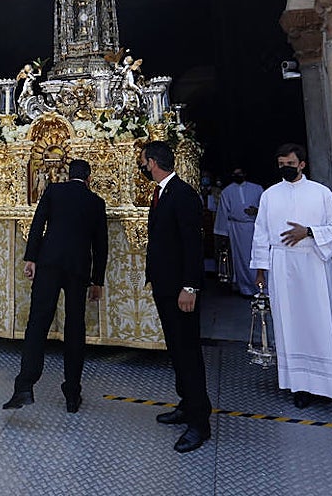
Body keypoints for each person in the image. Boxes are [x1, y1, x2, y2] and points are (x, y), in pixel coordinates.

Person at [250, 144, 332, 408]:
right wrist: (260, 270)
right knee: (290, 325)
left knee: (320, 321)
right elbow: (261, 233)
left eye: (290, 164)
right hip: (282, 266)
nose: (285, 169)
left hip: (314, 264)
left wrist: (310, 232)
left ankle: (327, 382)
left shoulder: (320, 193)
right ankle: (299, 386)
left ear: (302, 164)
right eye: (281, 165)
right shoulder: (270, 195)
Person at [2, 158, 107, 414]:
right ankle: (72, 393)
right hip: (78, 268)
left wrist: (31, 258)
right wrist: (97, 280)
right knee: (74, 327)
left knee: (38, 323)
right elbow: (101, 245)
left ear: (67, 175)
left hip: (49, 263)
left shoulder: (53, 191)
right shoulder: (95, 202)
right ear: (89, 178)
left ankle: (24, 385)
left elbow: (38, 225)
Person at [141, 141, 211, 453]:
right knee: (176, 350)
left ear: (153, 162)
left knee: (188, 352)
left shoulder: (182, 195)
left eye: (142, 162)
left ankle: (200, 423)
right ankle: (187, 403)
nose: (141, 167)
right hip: (165, 287)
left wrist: (190, 287)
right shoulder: (161, 193)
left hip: (181, 290)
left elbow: (193, 245)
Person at [219, 169, 264, 297]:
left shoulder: (257, 189)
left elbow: (266, 208)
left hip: (255, 227)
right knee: (241, 259)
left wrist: (257, 211)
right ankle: (245, 288)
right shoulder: (227, 191)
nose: (238, 176)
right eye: (235, 173)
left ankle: (261, 287)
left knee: (257, 255)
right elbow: (223, 214)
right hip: (237, 229)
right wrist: (224, 234)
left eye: (241, 173)